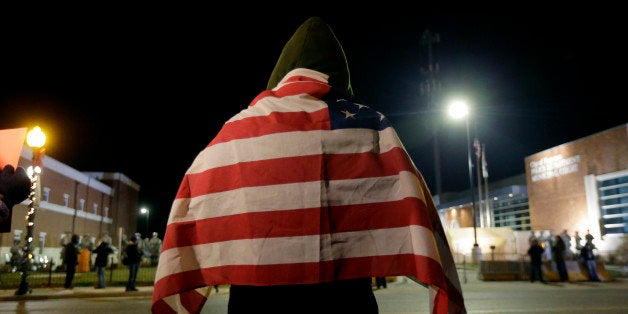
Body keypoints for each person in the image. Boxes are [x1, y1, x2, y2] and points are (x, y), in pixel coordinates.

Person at [152, 17, 465, 314]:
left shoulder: (232, 132)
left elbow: (191, 214)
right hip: (343, 299)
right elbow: (413, 211)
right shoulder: (371, 126)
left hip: (255, 301)